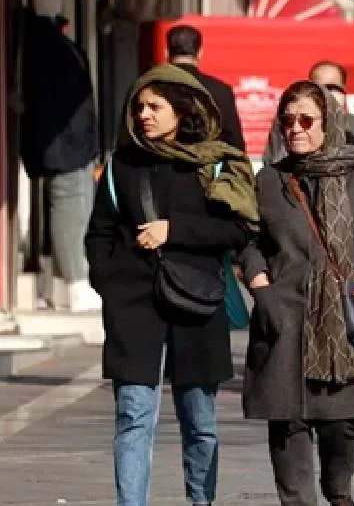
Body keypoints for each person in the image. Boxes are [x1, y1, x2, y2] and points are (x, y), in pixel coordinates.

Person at [85, 63, 258, 506]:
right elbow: (99, 232)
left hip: (196, 304)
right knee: (133, 416)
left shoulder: (213, 163)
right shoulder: (122, 164)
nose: (144, 114)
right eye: (139, 106)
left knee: (199, 421)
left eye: (155, 106)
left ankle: (201, 500)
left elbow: (237, 232)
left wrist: (173, 230)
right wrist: (108, 282)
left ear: (181, 110)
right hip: (134, 307)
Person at [240, 81, 354, 506]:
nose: (295, 129)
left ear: (328, 123)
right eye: (288, 120)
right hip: (285, 320)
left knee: (341, 427)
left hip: (343, 321)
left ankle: (338, 491)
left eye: (306, 120)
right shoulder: (270, 180)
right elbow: (247, 240)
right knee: (288, 425)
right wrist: (261, 287)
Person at [20, 0, 102, 311]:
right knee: (71, 208)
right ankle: (75, 282)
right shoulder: (44, 44)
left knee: (73, 207)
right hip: (64, 146)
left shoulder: (46, 41)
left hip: (69, 144)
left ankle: (64, 281)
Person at [167, 24, 246, 150]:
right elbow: (235, 145)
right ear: (200, 52)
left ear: (166, 52)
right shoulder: (221, 91)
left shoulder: (151, 87)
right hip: (206, 166)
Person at [309, 60, 354, 146]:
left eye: (332, 88)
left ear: (342, 89)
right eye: (319, 88)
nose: (326, 93)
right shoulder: (297, 124)